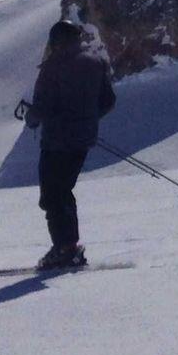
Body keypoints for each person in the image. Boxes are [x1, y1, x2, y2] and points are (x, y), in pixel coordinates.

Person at [23, 19, 116, 269]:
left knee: (53, 195)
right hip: (83, 140)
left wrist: (31, 119)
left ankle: (65, 249)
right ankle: (70, 247)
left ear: (56, 41)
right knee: (64, 191)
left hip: (56, 141)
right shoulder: (96, 63)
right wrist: (86, 120)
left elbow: (41, 107)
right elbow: (108, 101)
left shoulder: (53, 67)